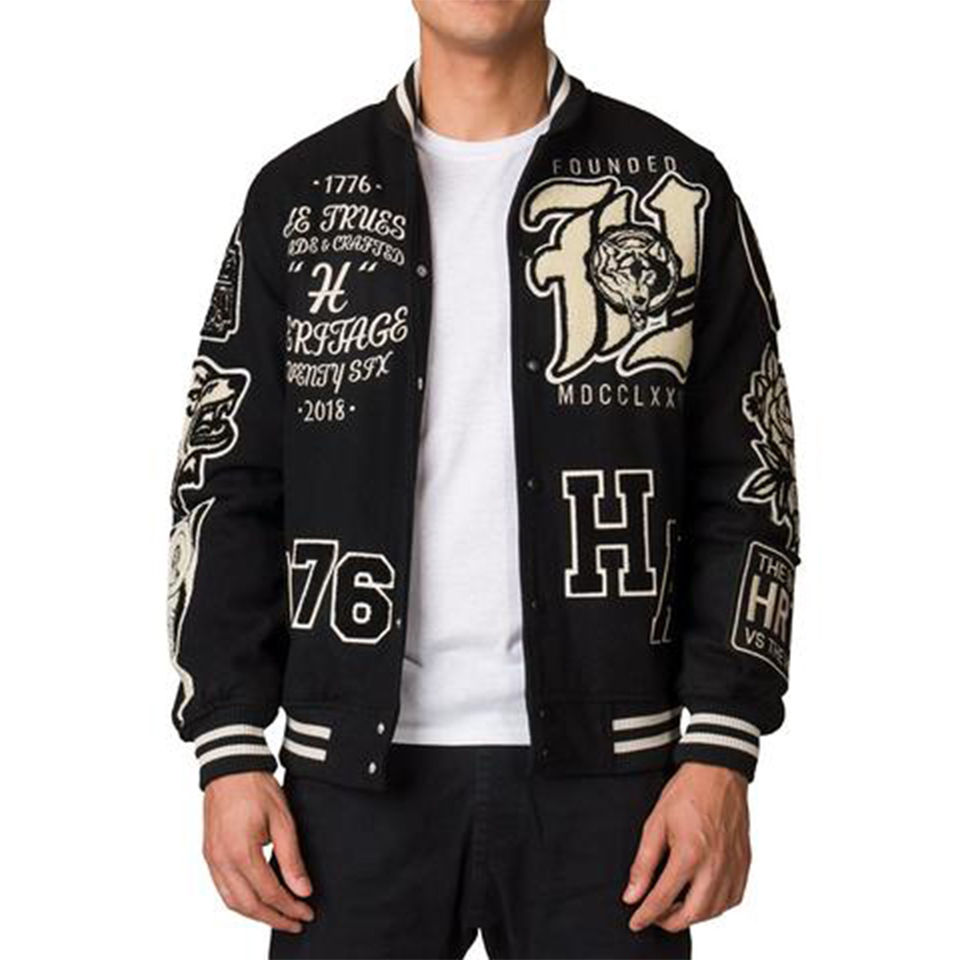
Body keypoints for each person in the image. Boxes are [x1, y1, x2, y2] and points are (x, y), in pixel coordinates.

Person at [167, 2, 799, 957]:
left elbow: (750, 476)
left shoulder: (676, 188)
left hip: (617, 787)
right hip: (349, 784)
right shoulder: (299, 199)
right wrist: (228, 743)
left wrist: (722, 747)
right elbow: (226, 479)